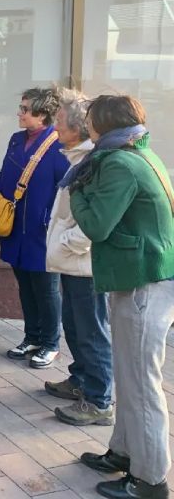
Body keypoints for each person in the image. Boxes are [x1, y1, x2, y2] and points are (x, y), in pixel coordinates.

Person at [70, 95, 174, 499]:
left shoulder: (117, 162)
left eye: (90, 118)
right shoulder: (140, 152)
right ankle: (124, 453)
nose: (86, 124)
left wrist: (77, 190)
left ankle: (151, 481)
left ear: (103, 123)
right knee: (131, 378)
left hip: (144, 282)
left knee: (141, 384)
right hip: (143, 277)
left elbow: (96, 224)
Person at [43, 89, 113, 427]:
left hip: (84, 265)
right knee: (74, 325)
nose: (54, 126)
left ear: (78, 128)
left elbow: (94, 219)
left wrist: (70, 244)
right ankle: (80, 380)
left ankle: (99, 400)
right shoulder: (79, 156)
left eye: (58, 121)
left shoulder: (92, 161)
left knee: (91, 331)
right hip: (73, 263)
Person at [0, 88, 69, 368]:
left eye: (25, 109)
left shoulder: (58, 143)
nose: (20, 113)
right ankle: (32, 337)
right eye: (21, 107)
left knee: (47, 288)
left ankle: (50, 343)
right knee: (25, 284)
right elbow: (5, 175)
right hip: (15, 226)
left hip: (42, 229)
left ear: (41, 114)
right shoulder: (16, 140)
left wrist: (49, 218)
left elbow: (65, 188)